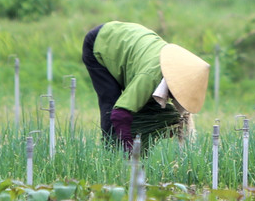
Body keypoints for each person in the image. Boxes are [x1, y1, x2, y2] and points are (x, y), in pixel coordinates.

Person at [82, 21, 209, 152]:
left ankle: (140, 151)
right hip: (102, 42)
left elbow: (180, 114)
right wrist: (129, 149)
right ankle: (111, 151)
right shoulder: (150, 77)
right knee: (111, 103)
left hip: (129, 39)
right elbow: (120, 114)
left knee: (144, 106)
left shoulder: (174, 66)